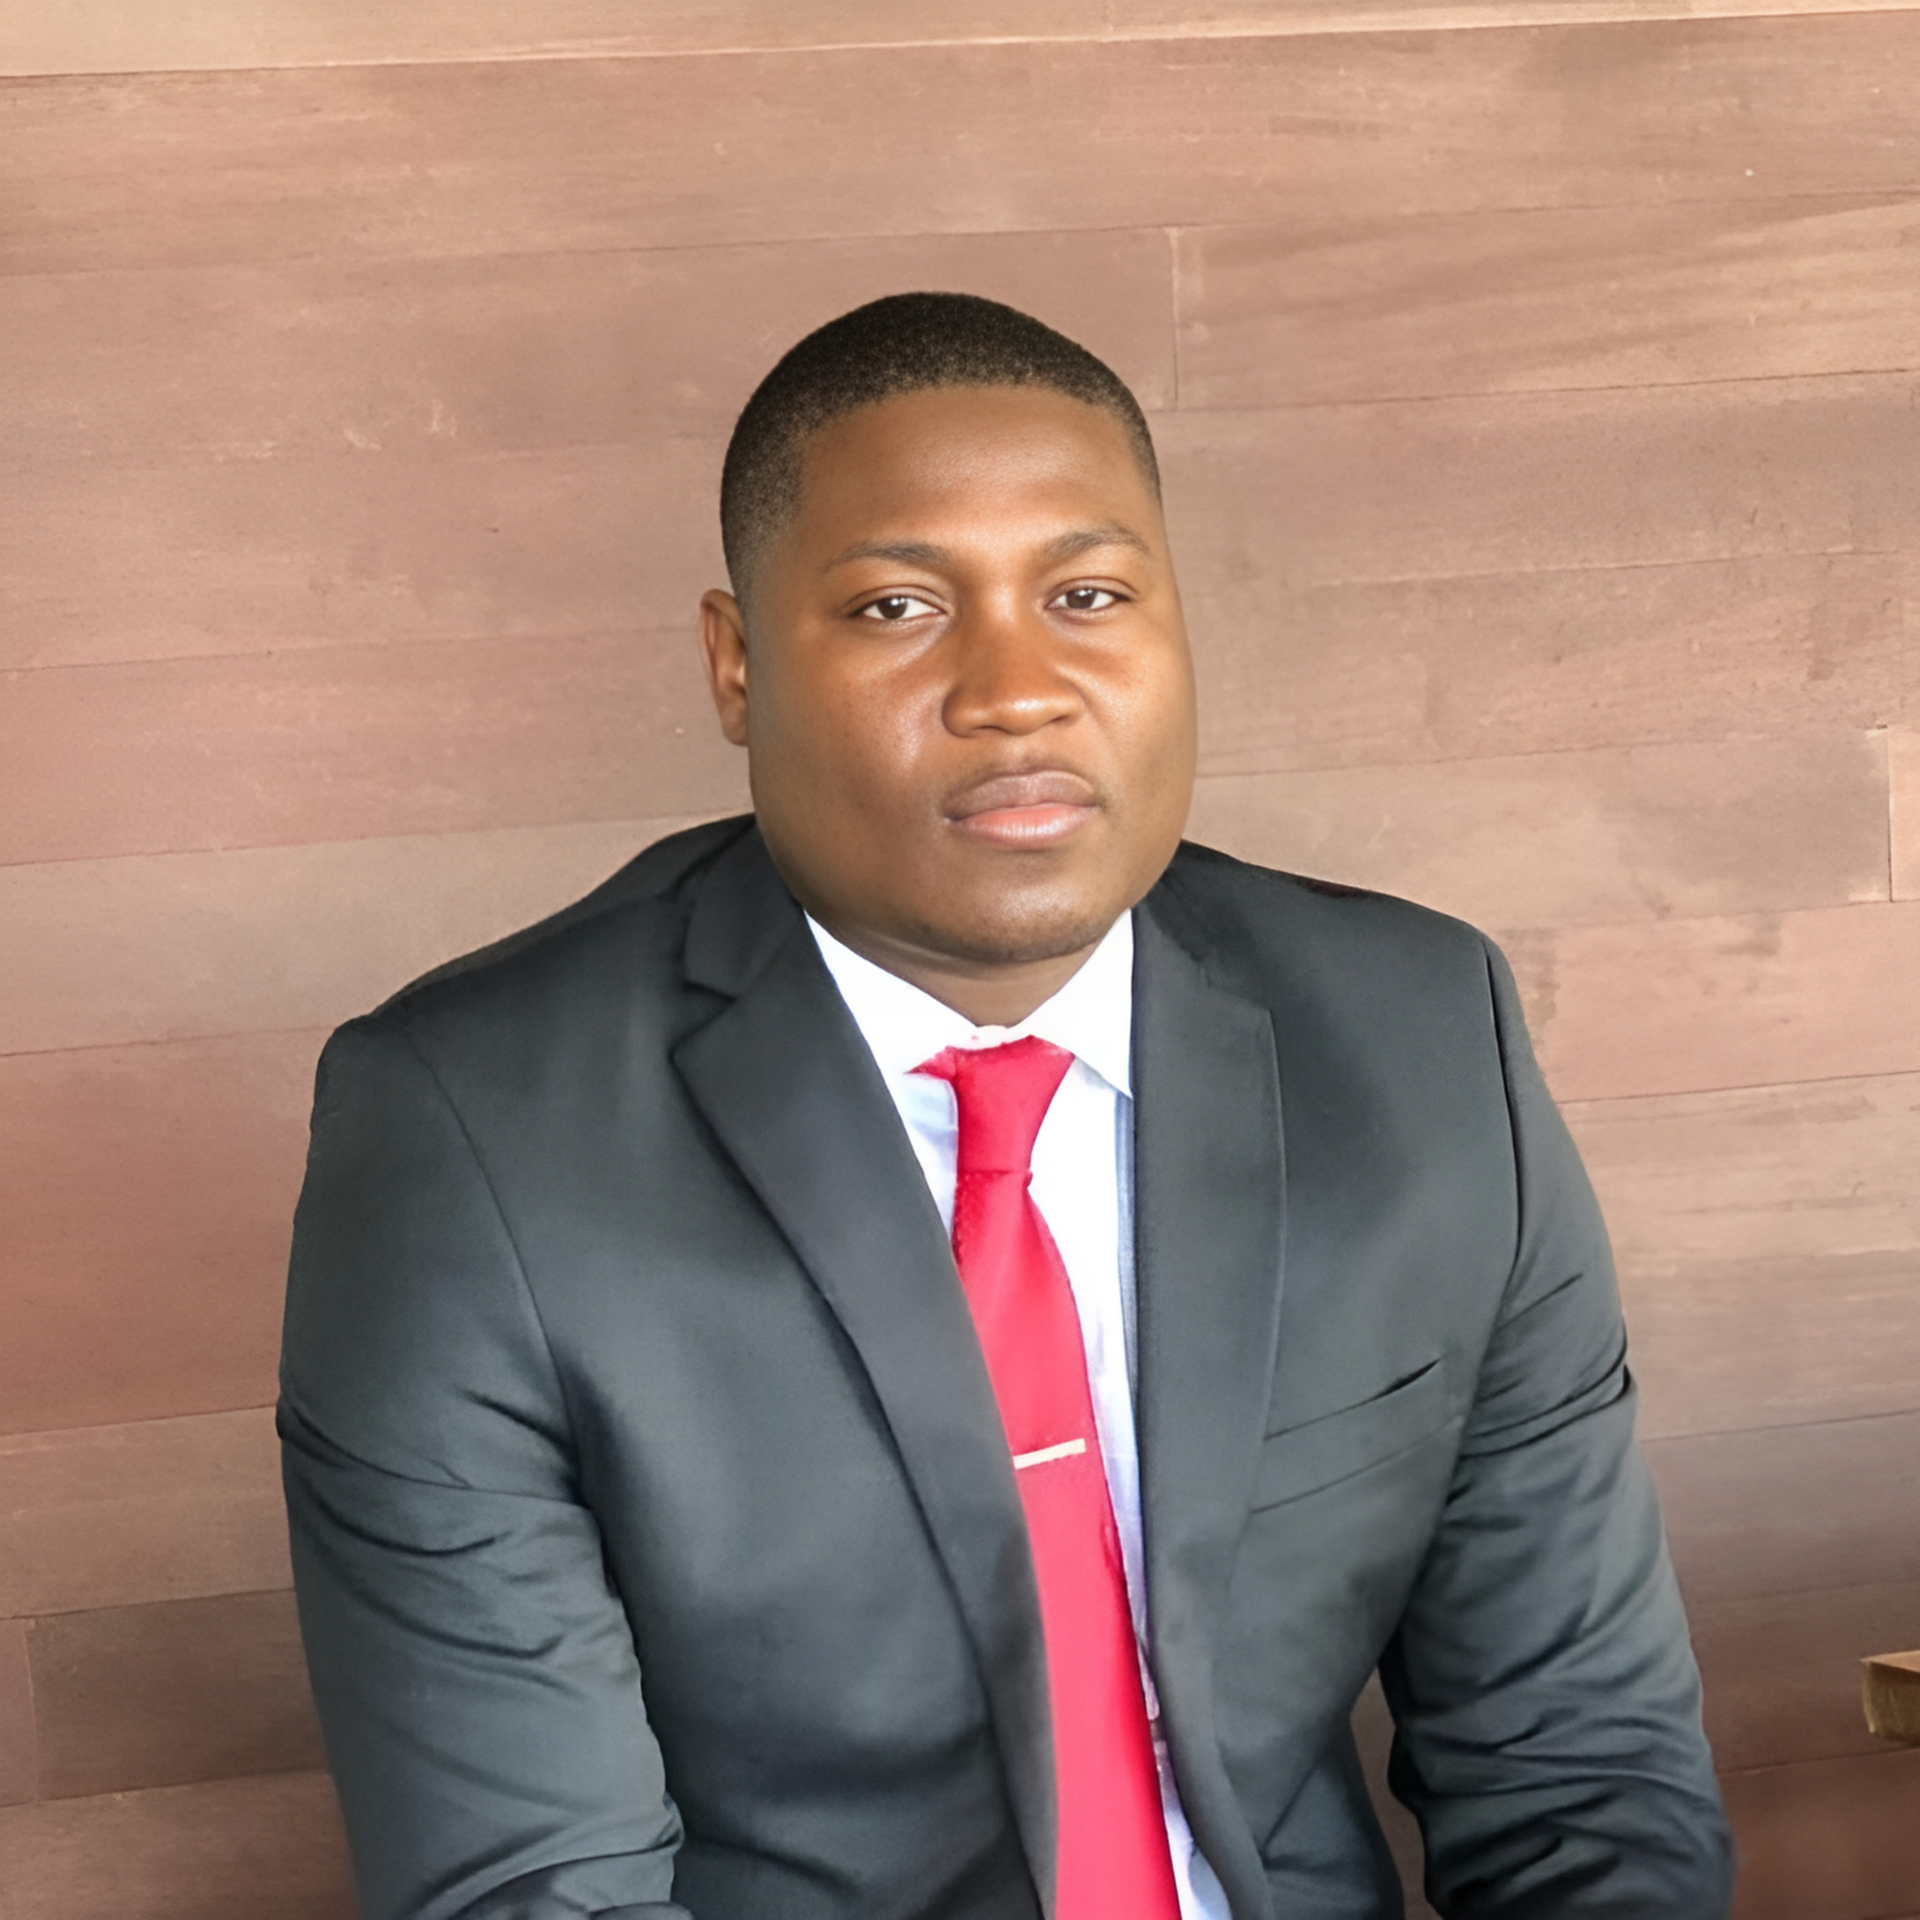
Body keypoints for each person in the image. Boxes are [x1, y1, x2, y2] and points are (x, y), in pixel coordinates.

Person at [280, 292, 1733, 1920]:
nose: (1018, 688)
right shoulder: (471, 1138)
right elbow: (536, 1891)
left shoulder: (1418, 1040)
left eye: (1091, 594)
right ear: (737, 663)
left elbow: (1580, 1766)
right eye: (900, 605)